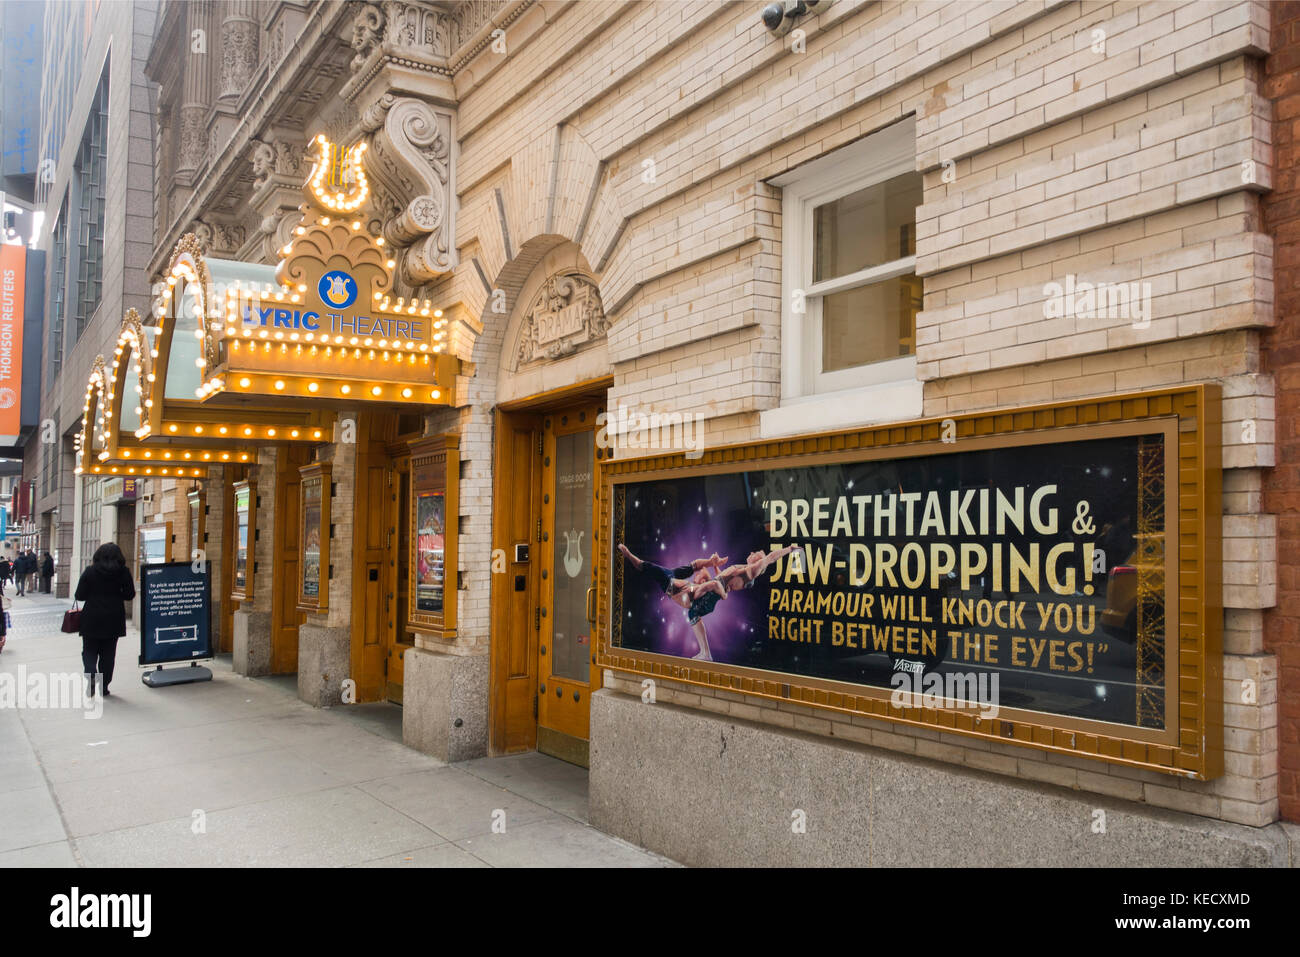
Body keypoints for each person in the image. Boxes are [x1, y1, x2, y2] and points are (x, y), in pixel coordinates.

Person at [74, 543, 136, 697]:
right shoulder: (123, 572)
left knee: (89, 650)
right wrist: (116, 596)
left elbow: (79, 595)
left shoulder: (90, 572)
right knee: (108, 654)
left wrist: (93, 594)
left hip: (91, 616)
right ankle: (104, 687)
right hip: (114, 617)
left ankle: (91, 673)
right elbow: (130, 594)